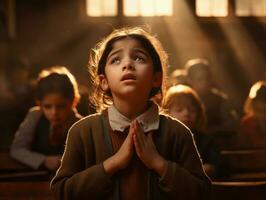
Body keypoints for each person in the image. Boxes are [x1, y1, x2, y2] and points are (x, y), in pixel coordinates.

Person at [50, 27, 211, 200]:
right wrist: (113, 164)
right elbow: (61, 192)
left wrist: (158, 163)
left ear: (156, 79)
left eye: (139, 58)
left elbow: (202, 192)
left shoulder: (177, 133)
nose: (128, 64)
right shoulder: (82, 131)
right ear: (104, 82)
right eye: (116, 60)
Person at [10, 66, 82, 172]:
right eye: (48, 106)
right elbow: (17, 149)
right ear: (39, 104)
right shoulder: (35, 116)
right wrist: (44, 160)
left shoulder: (81, 124)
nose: (54, 112)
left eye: (60, 106)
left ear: (73, 102)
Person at [161, 84, 221, 178]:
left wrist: (208, 169)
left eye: (192, 110)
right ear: (166, 113)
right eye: (179, 110)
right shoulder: (162, 138)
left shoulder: (206, 140)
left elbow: (218, 165)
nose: (186, 113)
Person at [185, 58, 238, 138]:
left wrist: (210, 131)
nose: (205, 82)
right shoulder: (184, 99)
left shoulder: (219, 100)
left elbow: (231, 125)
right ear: (190, 80)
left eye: (207, 78)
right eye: (200, 79)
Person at [237, 80, 266, 149]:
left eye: (264, 111)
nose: (262, 114)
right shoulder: (248, 122)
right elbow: (257, 143)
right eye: (259, 110)